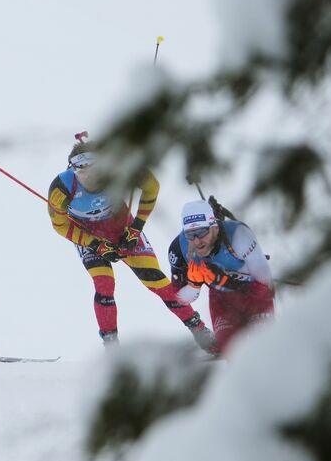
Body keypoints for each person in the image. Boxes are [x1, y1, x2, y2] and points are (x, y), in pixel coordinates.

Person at [47, 134, 216, 352]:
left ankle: (200, 331)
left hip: (123, 230)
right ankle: (111, 346)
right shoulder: (62, 187)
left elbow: (151, 186)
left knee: (158, 283)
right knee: (104, 284)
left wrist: (136, 227)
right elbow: (60, 225)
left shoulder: (119, 169)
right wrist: (95, 244)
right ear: (73, 169)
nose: (89, 175)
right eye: (81, 170)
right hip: (89, 236)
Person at [167, 199, 275, 352]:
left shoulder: (239, 236)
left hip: (255, 294)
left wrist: (224, 280)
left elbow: (266, 283)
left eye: (202, 232)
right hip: (222, 300)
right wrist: (193, 285)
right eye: (190, 234)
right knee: (230, 351)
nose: (197, 241)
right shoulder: (179, 249)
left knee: (265, 347)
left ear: (214, 226)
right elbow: (179, 299)